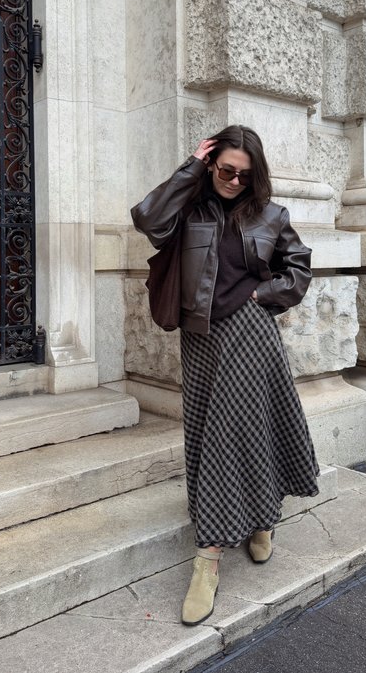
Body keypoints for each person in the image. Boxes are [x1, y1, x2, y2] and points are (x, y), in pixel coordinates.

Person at [131, 125, 319, 626]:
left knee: (229, 434)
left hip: (250, 333)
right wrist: (191, 166)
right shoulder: (189, 209)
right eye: (225, 170)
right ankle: (260, 519)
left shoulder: (271, 216)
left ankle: (209, 557)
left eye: (243, 174)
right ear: (212, 164)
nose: (233, 180)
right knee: (205, 433)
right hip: (200, 337)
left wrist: (261, 297)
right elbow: (146, 217)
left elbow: (298, 268)